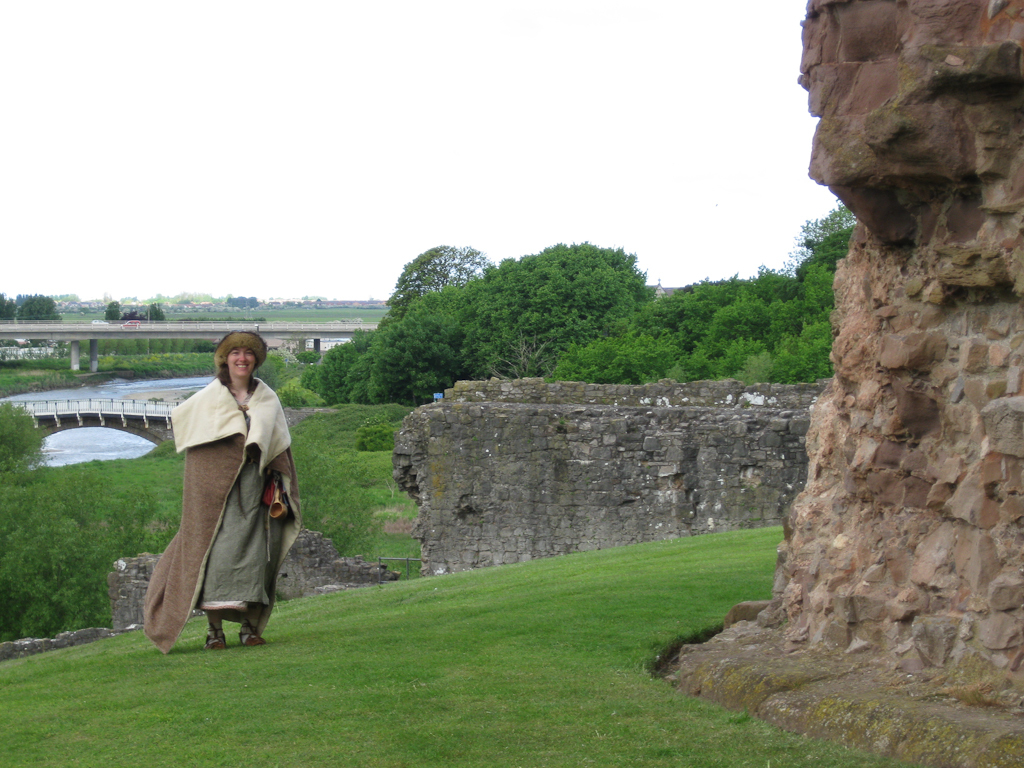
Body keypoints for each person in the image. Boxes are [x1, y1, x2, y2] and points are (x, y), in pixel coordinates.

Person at [144, 330, 301, 653]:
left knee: (254, 557)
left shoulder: (267, 399)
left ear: (256, 360)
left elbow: (279, 448)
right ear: (225, 359)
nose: (242, 358)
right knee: (213, 558)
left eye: (248, 353)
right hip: (215, 499)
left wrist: (278, 483)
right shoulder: (207, 401)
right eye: (235, 353)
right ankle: (213, 632)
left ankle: (248, 627)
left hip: (255, 493)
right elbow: (200, 457)